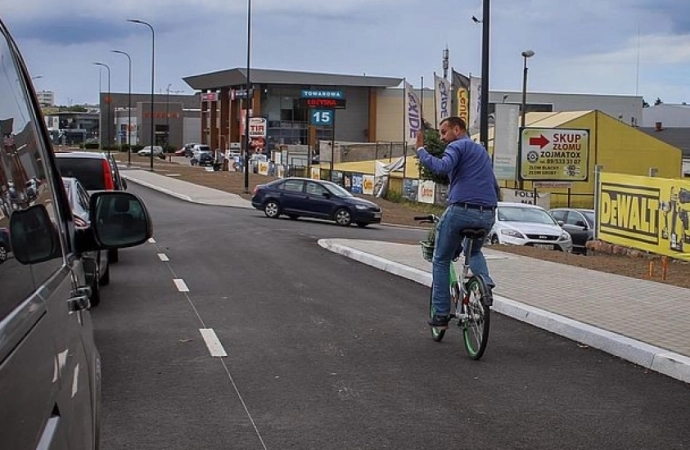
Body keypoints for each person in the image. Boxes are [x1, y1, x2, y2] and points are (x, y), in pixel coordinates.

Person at [416, 116, 499, 329]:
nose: (443, 138)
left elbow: (443, 167)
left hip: (461, 210)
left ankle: (441, 315)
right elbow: (494, 185)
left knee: (441, 259)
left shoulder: (458, 146)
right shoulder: (481, 152)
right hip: (488, 212)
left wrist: (421, 151)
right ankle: (485, 284)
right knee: (474, 251)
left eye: (444, 132)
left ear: (457, 129)